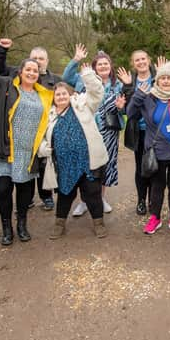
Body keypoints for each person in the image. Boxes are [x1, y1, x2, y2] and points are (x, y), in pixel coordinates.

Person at [0, 48, 54, 246]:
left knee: (25, 192)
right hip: (5, 150)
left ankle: (22, 224)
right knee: (3, 191)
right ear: (20, 72)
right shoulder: (6, 86)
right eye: (28, 69)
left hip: (28, 153)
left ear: (39, 74)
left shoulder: (44, 95)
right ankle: (6, 229)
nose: (31, 73)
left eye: (35, 71)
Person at [0, 35, 62, 211]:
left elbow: (65, 95)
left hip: (44, 128)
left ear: (47, 61)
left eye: (41, 59)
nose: (37, 62)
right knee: (25, 170)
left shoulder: (56, 80)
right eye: (34, 58)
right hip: (21, 132)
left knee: (43, 165)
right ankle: (26, 199)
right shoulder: (17, 75)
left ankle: (46, 195)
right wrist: (1, 51)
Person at [37, 66, 109, 238]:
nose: (61, 96)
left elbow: (97, 93)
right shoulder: (49, 115)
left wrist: (88, 75)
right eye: (58, 94)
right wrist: (43, 148)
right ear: (53, 98)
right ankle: (59, 224)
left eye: (64, 93)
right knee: (65, 195)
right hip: (64, 164)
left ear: (70, 94)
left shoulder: (83, 105)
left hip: (87, 161)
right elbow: (40, 138)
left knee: (93, 193)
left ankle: (99, 223)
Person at [127, 59, 170, 236]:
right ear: (157, 80)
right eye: (162, 78)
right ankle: (155, 217)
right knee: (157, 186)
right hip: (157, 151)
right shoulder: (149, 97)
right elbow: (131, 113)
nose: (165, 81)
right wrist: (138, 95)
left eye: (169, 78)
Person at [62, 44, 126, 215]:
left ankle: (101, 198)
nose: (103, 66)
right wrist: (76, 59)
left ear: (110, 66)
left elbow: (125, 108)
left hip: (109, 131)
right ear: (94, 67)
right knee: (85, 164)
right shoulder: (82, 79)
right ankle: (84, 201)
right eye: (100, 64)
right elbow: (66, 76)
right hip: (85, 129)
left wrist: (121, 108)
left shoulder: (118, 85)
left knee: (105, 164)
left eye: (106, 64)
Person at [119, 50, 156, 215]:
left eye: (143, 58)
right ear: (133, 64)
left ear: (148, 60)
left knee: (156, 166)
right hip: (138, 131)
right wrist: (128, 87)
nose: (141, 62)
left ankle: (152, 200)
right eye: (137, 60)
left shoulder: (157, 77)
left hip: (156, 131)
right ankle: (141, 200)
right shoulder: (129, 82)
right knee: (141, 167)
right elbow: (127, 110)